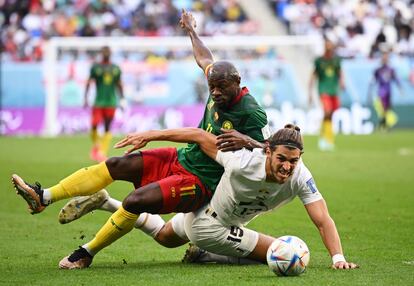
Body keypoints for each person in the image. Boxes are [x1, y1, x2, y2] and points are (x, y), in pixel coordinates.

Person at [11, 9, 269, 265]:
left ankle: (86, 252)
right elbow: (204, 58)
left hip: (202, 182)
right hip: (183, 158)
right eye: (211, 87)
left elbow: (269, 150)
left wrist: (248, 142)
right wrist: (191, 31)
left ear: (237, 82)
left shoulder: (252, 113)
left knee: (136, 201)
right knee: (117, 164)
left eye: (221, 88)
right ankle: (43, 197)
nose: (214, 93)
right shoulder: (217, 80)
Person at [57, 124, 358, 270]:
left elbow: (322, 219)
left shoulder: (301, 176)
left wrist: (338, 257)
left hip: (202, 210)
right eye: (281, 159)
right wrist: (152, 134)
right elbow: (200, 136)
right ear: (269, 151)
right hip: (211, 226)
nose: (287, 166)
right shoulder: (243, 160)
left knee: (164, 236)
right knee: (285, 255)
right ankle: (206, 253)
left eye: (293, 161)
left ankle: (106, 201)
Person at [85, 46, 124, 162]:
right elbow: (89, 82)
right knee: (93, 126)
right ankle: (97, 145)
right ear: (102, 53)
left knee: (107, 127)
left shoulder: (116, 68)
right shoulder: (96, 68)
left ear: (110, 53)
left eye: (108, 52)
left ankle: (102, 152)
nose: (106, 53)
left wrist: (122, 99)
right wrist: (85, 97)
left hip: (111, 102)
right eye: (104, 51)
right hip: (98, 102)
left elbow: (119, 84)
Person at [309, 39, 344, 151]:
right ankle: (325, 139)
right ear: (325, 47)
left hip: (334, 90)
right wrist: (309, 92)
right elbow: (313, 75)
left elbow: (340, 72)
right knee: (327, 111)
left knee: (331, 114)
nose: (329, 48)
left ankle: (327, 137)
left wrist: (342, 82)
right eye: (327, 46)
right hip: (323, 89)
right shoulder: (319, 61)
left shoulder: (336, 60)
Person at [369, 51, 403, 131]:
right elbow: (374, 80)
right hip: (381, 91)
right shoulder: (378, 69)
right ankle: (383, 125)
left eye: (386, 57)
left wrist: (400, 88)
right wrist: (371, 88)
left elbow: (396, 79)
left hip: (389, 91)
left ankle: (383, 124)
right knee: (383, 108)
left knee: (388, 109)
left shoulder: (391, 69)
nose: (385, 59)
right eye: (383, 57)